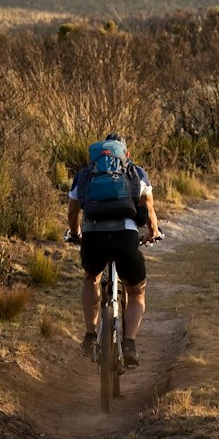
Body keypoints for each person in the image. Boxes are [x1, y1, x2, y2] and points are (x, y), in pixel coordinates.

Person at [66, 133, 161, 368]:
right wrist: (153, 232)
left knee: (91, 277)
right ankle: (129, 343)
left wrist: (76, 234)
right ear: (125, 154)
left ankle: (90, 335)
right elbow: (148, 210)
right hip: (125, 238)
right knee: (137, 291)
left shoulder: (84, 175)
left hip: (93, 239)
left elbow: (72, 213)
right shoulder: (136, 173)